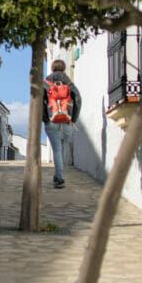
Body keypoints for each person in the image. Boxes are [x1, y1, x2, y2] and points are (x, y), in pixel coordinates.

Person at [43, 59, 82, 188]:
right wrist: (73, 118)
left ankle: (59, 178)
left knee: (57, 150)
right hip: (67, 121)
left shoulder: (46, 83)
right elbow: (78, 99)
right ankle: (58, 175)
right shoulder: (69, 83)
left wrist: (45, 118)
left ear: (52, 68)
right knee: (61, 149)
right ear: (64, 69)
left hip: (52, 120)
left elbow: (40, 101)